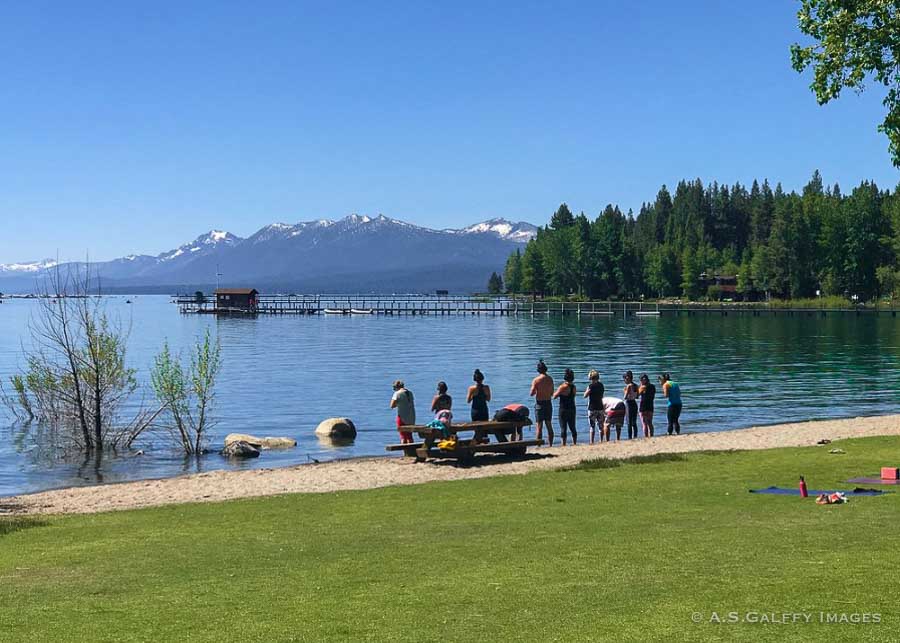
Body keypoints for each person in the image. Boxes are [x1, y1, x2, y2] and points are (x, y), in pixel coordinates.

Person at [530, 360, 555, 446]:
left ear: (538, 370)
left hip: (539, 404)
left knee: (539, 427)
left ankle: (538, 445)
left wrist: (537, 390)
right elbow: (552, 393)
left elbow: (532, 393)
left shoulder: (536, 380)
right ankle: (550, 445)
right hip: (548, 403)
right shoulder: (550, 379)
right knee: (549, 425)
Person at [553, 368, 577, 446]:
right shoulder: (574, 387)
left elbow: (554, 396)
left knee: (563, 427)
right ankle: (574, 443)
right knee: (572, 426)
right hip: (572, 408)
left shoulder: (563, 387)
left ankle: (563, 444)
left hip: (564, 409)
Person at [390, 380, 416, 444]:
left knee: (403, 436)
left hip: (402, 416)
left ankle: (405, 452)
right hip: (411, 416)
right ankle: (411, 450)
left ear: (396, 387)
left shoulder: (397, 393)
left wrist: (398, 403)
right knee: (409, 436)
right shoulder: (410, 392)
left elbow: (392, 405)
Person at [584, 370, 606, 444]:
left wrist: (588, 390)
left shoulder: (590, 386)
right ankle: (601, 441)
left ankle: (591, 441)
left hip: (592, 408)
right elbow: (602, 395)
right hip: (600, 407)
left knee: (592, 426)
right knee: (600, 426)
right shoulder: (601, 385)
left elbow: (585, 395)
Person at [638, 373, 656, 438]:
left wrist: (640, 386)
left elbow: (637, 395)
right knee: (650, 423)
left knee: (644, 423)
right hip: (650, 405)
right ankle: (651, 435)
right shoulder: (652, 386)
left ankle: (646, 437)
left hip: (643, 406)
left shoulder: (642, 387)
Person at [623, 370, 639, 439]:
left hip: (629, 403)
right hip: (634, 403)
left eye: (625, 379)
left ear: (628, 378)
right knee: (634, 422)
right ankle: (635, 436)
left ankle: (629, 437)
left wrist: (624, 391)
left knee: (629, 422)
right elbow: (637, 396)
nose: (624, 380)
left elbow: (625, 397)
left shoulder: (628, 386)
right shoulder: (636, 385)